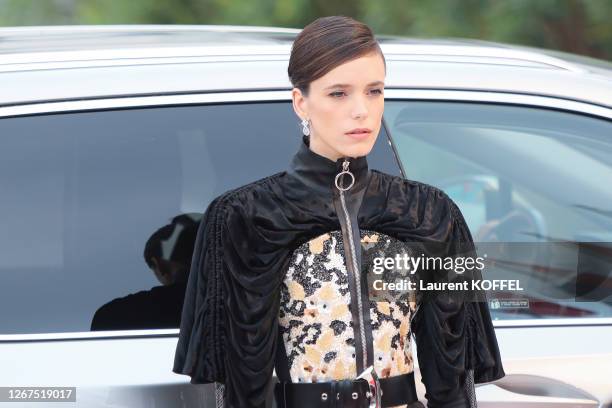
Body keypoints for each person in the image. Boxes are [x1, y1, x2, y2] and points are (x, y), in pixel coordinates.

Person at [173, 16, 505, 408]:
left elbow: (452, 375)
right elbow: (239, 385)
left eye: (374, 90)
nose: (362, 111)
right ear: (301, 102)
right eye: (338, 94)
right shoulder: (247, 217)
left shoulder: (428, 212)